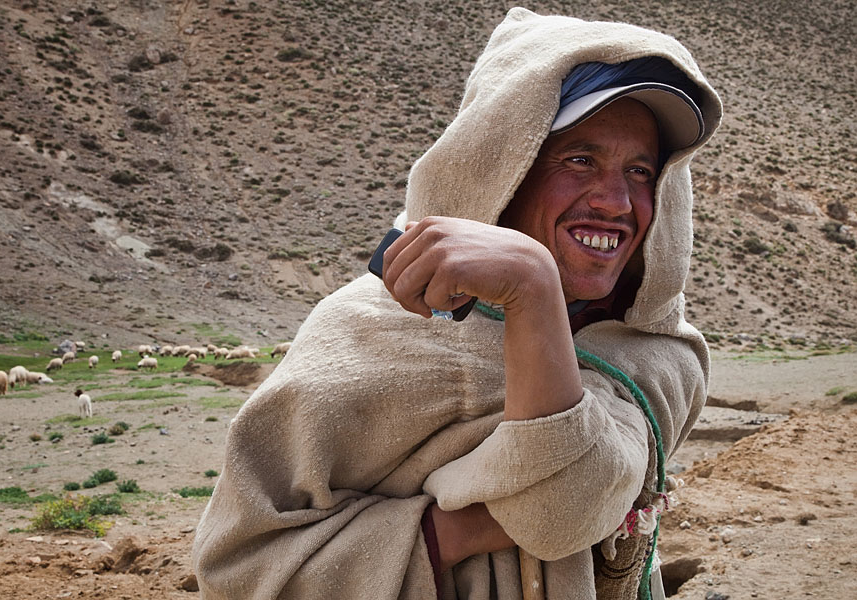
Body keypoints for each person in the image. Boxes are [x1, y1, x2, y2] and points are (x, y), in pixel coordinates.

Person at [192, 7, 722, 600]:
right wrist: (456, 531)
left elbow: (563, 509)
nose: (617, 200)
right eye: (579, 159)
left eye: (641, 170)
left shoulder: (656, 355)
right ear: (503, 166)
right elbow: (237, 567)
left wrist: (532, 291)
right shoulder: (366, 337)